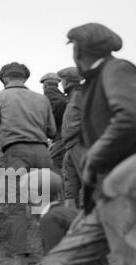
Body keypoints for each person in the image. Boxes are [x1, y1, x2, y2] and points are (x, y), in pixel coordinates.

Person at [4, 22, 136, 265]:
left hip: (124, 192)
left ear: (82, 52)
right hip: (101, 200)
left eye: (74, 50)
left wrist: (96, 155)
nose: (73, 56)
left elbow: (135, 115)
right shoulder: (93, 85)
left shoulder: (118, 70)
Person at [0, 62, 56, 265]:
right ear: (25, 78)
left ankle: (20, 256)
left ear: (5, 78)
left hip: (16, 154)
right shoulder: (42, 99)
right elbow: (53, 131)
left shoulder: (0, 98)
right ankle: (51, 255)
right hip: (42, 153)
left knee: (17, 205)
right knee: (45, 206)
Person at [58, 67, 85, 209]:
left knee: (89, 183)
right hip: (70, 146)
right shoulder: (72, 97)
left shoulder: (81, 95)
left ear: (68, 81)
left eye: (62, 80)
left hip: (80, 144)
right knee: (70, 189)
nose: (61, 83)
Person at [40, 73, 67, 173]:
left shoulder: (49, 94)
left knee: (52, 165)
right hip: (65, 136)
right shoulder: (62, 96)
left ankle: (56, 188)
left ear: (45, 85)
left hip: (60, 137)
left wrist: (49, 127)